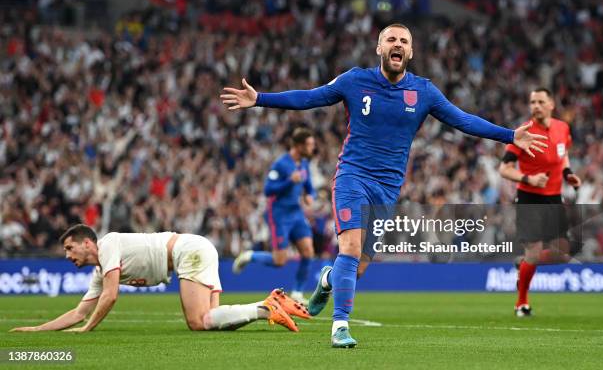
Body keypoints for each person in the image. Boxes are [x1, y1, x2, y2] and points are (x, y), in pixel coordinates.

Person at [220, 23, 547, 348]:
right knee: (348, 249)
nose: (398, 44)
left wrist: (510, 135)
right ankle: (340, 326)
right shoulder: (354, 80)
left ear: (411, 52)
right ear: (379, 48)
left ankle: (327, 279)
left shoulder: (423, 92)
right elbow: (310, 97)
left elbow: (464, 120)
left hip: (387, 189)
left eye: (404, 40)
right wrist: (260, 98)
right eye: (391, 39)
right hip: (353, 176)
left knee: (358, 268)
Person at [10, 224, 310, 333]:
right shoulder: (101, 271)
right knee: (214, 322)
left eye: (69, 247)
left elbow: (111, 296)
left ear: (87, 243)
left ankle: (267, 306)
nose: (66, 255)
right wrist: (37, 329)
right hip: (196, 248)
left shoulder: (108, 243)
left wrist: (87, 329)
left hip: (187, 251)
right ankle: (273, 305)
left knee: (197, 322)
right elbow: (79, 311)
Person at [499, 88, 581, 317]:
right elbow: (503, 169)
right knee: (534, 253)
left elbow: (563, 154)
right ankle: (521, 303)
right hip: (529, 197)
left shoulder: (562, 128)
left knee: (562, 254)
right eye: (532, 101)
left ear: (551, 104)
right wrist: (529, 179)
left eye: (540, 101)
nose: (535, 105)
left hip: (554, 197)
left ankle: (523, 263)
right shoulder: (523, 133)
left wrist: (568, 174)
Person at [233, 128, 316, 304]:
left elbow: (309, 187)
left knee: (308, 251)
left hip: (296, 212)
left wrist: (310, 196)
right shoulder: (281, 164)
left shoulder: (304, 164)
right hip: (279, 214)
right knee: (280, 261)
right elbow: (268, 189)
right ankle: (250, 256)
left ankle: (298, 293)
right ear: (299, 145)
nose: (312, 148)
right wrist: (289, 181)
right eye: (309, 145)